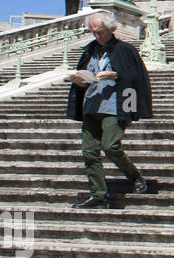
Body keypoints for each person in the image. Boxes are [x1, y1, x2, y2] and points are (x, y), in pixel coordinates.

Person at [65, 11, 152, 209]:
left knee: (111, 146)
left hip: (116, 105)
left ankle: (135, 176)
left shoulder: (124, 50)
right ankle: (98, 195)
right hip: (91, 105)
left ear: (110, 29)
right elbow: (86, 75)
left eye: (100, 32)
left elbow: (135, 76)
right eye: (93, 32)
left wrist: (115, 74)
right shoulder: (90, 50)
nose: (97, 36)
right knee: (89, 151)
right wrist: (79, 81)